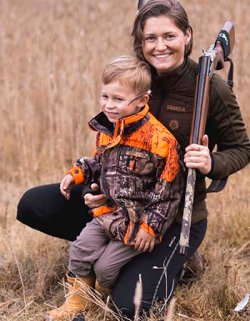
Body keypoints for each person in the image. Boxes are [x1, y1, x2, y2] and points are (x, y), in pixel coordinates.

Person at [17, 0, 250, 319]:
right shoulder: (132, 81)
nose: (160, 46)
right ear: (140, 43)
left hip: (173, 216)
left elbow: (242, 148)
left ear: (187, 35)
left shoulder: (210, 87)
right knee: (33, 205)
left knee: (131, 305)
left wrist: (211, 163)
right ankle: (104, 249)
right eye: (150, 38)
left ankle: (176, 260)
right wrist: (97, 183)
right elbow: (111, 146)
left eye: (169, 35)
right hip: (119, 204)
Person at [46, 55, 184, 321]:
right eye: (105, 97)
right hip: (109, 213)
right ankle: (79, 301)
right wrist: (76, 174)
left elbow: (168, 193)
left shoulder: (160, 141)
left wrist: (151, 228)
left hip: (137, 222)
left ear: (142, 100)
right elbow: (99, 161)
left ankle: (101, 294)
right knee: (79, 250)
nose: (109, 105)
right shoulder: (108, 128)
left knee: (106, 268)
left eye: (118, 99)